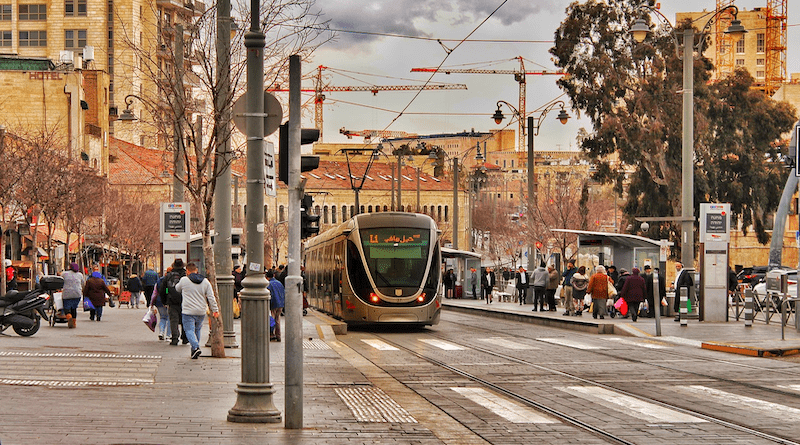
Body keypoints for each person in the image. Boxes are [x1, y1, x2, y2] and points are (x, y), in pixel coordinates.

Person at [176, 262, 219, 359]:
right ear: (196, 270)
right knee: (197, 330)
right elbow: (211, 297)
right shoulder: (205, 281)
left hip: (188, 311)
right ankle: (194, 351)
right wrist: (215, 309)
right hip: (201, 311)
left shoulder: (184, 280)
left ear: (187, 271)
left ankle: (195, 347)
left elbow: (177, 289)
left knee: (189, 330)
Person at [159, 259, 189, 345]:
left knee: (174, 320)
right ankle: (185, 337)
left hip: (172, 300)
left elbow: (163, 289)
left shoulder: (169, 276)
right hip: (185, 300)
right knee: (185, 319)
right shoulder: (185, 275)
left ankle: (175, 338)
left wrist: (164, 300)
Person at [60, 262, 85, 328]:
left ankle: (69, 317)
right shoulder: (80, 275)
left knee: (66, 308)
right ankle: (74, 322)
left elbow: (60, 281)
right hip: (77, 293)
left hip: (67, 293)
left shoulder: (64, 274)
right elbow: (83, 283)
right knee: (74, 308)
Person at [150, 270, 170, 341]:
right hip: (167, 301)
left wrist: (151, 303)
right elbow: (167, 291)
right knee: (169, 318)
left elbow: (154, 293)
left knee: (162, 317)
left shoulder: (159, 281)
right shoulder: (170, 281)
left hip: (159, 301)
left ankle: (161, 332)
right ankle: (168, 335)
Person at [266, 269, 285, 342]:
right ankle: (278, 336)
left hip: (273, 304)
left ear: (267, 277)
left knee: (272, 320)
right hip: (280, 304)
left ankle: (271, 334)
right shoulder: (279, 283)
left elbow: (269, 294)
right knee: (277, 320)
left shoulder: (269, 284)